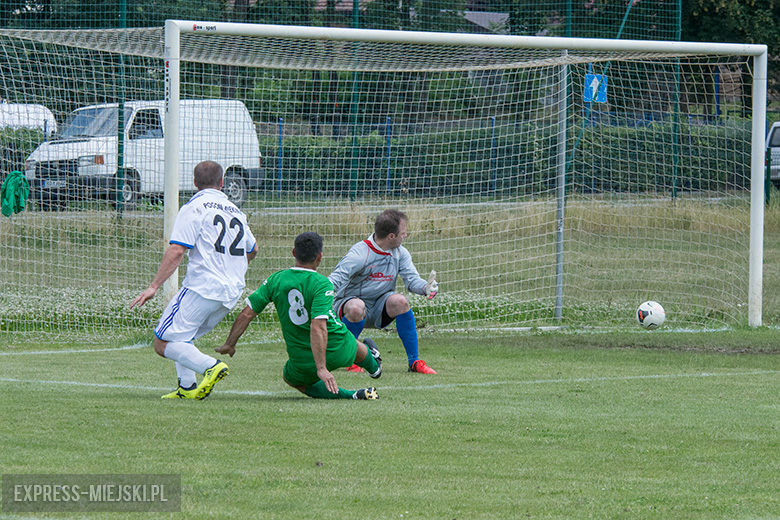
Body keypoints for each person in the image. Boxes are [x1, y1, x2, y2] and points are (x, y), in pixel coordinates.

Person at [130, 160, 257, 400]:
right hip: (231, 291)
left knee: (162, 342)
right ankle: (187, 387)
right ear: (222, 182)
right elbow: (253, 249)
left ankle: (211, 366)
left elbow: (177, 250)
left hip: (203, 286)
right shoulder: (235, 211)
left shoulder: (194, 207)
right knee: (182, 336)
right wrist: (231, 269)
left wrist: (153, 286)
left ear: (195, 182)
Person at [215, 231, 381, 400]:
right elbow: (318, 326)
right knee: (354, 344)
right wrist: (321, 368)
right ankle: (375, 368)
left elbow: (246, 314)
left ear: (294, 253)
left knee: (291, 377)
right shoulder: (322, 283)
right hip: (337, 348)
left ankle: (352, 396)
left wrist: (230, 344)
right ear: (320, 257)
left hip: (302, 360)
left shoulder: (276, 280)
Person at [328, 209, 439, 374]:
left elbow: (412, 280)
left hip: (379, 308)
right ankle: (351, 359)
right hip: (350, 307)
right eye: (403, 232)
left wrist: (426, 288)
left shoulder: (400, 253)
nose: (405, 235)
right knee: (356, 307)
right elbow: (335, 279)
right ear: (391, 236)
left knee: (400, 301)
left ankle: (414, 362)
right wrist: (316, 296)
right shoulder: (359, 254)